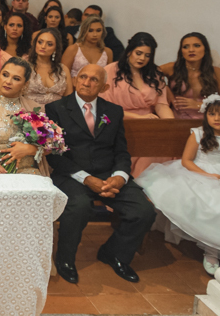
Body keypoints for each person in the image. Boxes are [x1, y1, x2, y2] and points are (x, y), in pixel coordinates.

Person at [45, 64, 156, 284]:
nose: (87, 82)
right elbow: (54, 155)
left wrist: (120, 176)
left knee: (144, 211)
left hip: (108, 173)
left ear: (104, 86)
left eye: (94, 79)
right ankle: (65, 260)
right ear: (75, 81)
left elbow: (121, 151)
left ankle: (115, 254)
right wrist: (86, 178)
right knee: (78, 207)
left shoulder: (113, 111)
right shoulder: (56, 108)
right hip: (72, 174)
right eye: (83, 77)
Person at [137, 95, 220, 275]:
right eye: (212, 114)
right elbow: (186, 161)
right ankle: (211, 251)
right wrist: (208, 175)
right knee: (214, 205)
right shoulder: (199, 133)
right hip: (198, 172)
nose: (216, 118)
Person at [105, 32, 175, 176]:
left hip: (150, 123)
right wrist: (139, 118)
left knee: (165, 145)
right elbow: (106, 108)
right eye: (138, 53)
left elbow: (161, 105)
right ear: (129, 51)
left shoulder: (155, 73)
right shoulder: (110, 70)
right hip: (120, 122)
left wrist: (170, 125)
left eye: (147, 55)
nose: (142, 58)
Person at [158, 32, 220, 118]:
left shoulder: (216, 72)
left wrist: (199, 105)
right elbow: (146, 74)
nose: (191, 50)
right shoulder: (172, 68)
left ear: (205, 50)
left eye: (196, 46)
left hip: (207, 122)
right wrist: (165, 88)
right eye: (186, 47)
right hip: (177, 120)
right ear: (181, 51)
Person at [24, 28, 73, 106]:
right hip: (29, 113)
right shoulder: (25, 66)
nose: (43, 46)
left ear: (56, 48)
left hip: (57, 115)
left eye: (49, 44)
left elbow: (69, 99)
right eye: (40, 42)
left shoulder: (63, 69)